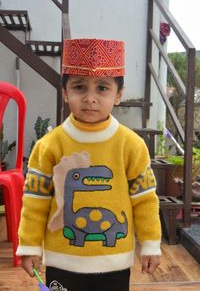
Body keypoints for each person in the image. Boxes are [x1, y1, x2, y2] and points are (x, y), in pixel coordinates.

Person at [17, 38, 161, 291]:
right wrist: (29, 246)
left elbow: (145, 199)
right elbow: (35, 200)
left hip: (114, 262)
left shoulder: (132, 145)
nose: (90, 98)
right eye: (80, 87)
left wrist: (150, 243)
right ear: (65, 92)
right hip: (62, 261)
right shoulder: (48, 146)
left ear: (118, 94)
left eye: (102, 88)